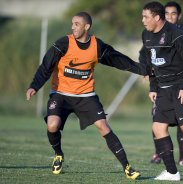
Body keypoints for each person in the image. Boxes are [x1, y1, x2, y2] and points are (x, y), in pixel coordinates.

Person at [26, 12, 147, 180]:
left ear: (87, 26)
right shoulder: (63, 43)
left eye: (76, 24)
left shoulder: (97, 46)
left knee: (103, 126)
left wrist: (142, 70)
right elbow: (47, 65)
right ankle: (58, 154)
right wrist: (34, 85)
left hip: (86, 95)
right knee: (52, 125)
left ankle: (127, 167)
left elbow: (118, 60)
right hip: (61, 94)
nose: (73, 27)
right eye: (72, 24)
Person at [140, 2, 183, 182]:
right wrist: (153, 87)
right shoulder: (146, 35)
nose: (143, 20)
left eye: (146, 17)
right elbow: (150, 65)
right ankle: (172, 172)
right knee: (157, 127)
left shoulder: (177, 34)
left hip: (180, 86)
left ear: (156, 17)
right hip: (163, 88)